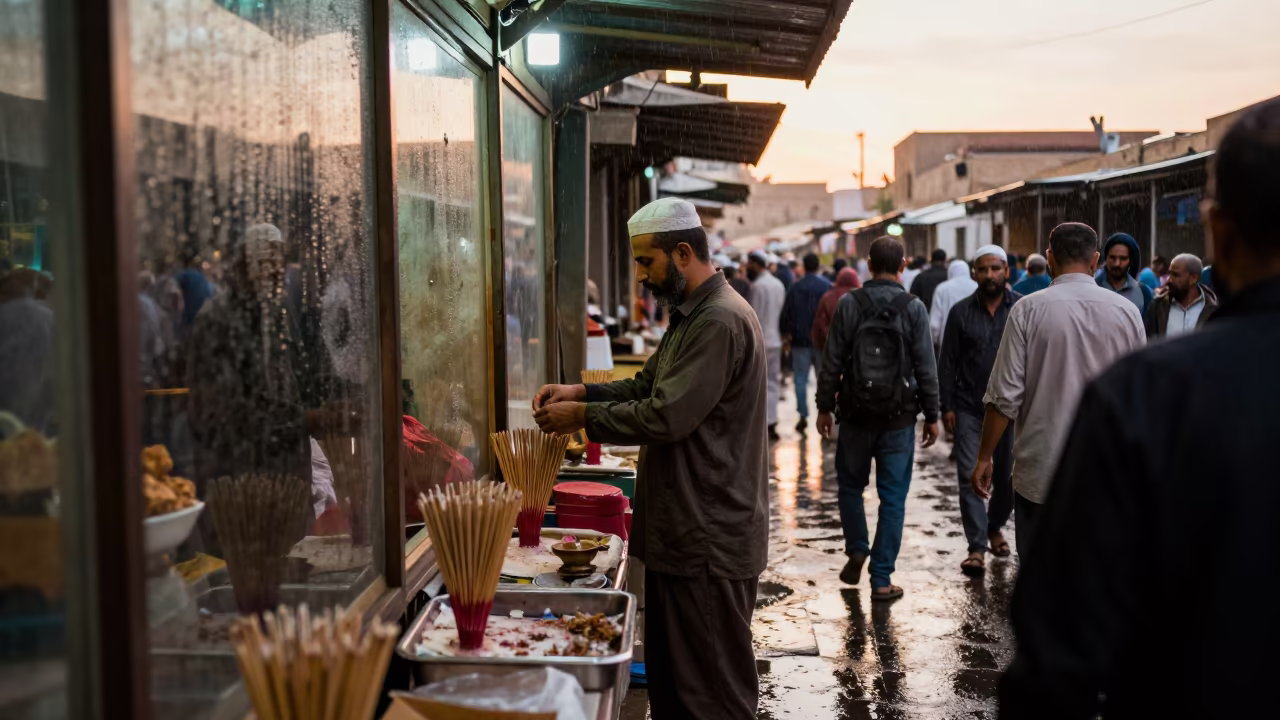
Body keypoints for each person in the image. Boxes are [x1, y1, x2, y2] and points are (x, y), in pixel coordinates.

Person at [997, 97, 1280, 720]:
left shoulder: (1150, 395)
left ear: (1218, 231)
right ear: (1098, 260)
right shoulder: (1136, 349)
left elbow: (1058, 649)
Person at [531, 197, 768, 719]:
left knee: (711, 697)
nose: (639, 276)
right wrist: (581, 394)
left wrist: (583, 420)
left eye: (646, 262)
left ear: (683, 252)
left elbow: (665, 416)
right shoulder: (693, 316)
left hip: (708, 537)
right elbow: (645, 384)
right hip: (684, 532)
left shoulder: (719, 322)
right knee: (678, 688)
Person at [971, 222, 1144, 554]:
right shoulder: (1127, 312)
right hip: (1105, 470)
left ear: (1050, 258)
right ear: (1095, 260)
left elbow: (1004, 397)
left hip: (1042, 471)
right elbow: (1137, 396)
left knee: (1041, 583)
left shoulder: (1028, 310)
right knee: (1095, 582)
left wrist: (984, 457)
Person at [815, 236, 940, 602]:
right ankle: (881, 578)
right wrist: (931, 414)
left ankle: (856, 546)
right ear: (903, 265)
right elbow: (925, 366)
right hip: (898, 418)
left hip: (854, 415)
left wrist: (825, 407)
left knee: (851, 487)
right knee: (893, 498)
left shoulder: (848, 303)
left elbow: (832, 361)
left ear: (869, 264)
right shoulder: (913, 307)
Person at [938, 246, 1020, 577]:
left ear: (1006, 272)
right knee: (970, 476)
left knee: (1008, 479)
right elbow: (947, 363)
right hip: (971, 407)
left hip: (1013, 409)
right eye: (983, 270)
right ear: (974, 273)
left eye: (995, 269)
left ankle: (994, 526)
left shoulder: (1021, 310)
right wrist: (946, 406)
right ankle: (976, 547)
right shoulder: (960, 313)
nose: (989, 275)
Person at [780, 253, 833, 434]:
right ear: (818, 266)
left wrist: (784, 334)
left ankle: (803, 415)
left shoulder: (796, 287)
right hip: (821, 342)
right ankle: (824, 412)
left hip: (800, 340)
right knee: (822, 379)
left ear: (804, 266)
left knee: (800, 380)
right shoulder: (826, 287)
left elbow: (786, 313)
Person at [746, 251, 786, 440]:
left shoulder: (758, 286)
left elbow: (752, 317)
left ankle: (762, 422)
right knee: (772, 382)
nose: (747, 267)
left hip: (761, 341)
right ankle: (772, 419)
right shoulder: (778, 284)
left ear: (756, 264)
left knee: (759, 383)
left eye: (750, 263)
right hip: (776, 340)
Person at [1143, 253, 1218, 339]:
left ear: (1193, 278)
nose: (1169, 279)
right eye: (1169, 274)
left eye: (1175, 275)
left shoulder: (1213, 309)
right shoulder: (1158, 306)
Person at [1096, 232, 1154, 315]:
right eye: (1112, 257)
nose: (1117, 264)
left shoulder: (1144, 293)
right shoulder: (1093, 287)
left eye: (1123, 258)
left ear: (1131, 260)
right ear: (1106, 258)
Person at [929, 258, 978, 352]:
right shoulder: (976, 287)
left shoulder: (942, 289)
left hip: (946, 343)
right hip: (974, 342)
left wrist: (934, 342)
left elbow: (934, 325)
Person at [812, 266, 860, 351]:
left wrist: (821, 344)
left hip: (832, 349)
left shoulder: (828, 297)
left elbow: (820, 323)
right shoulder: (863, 298)